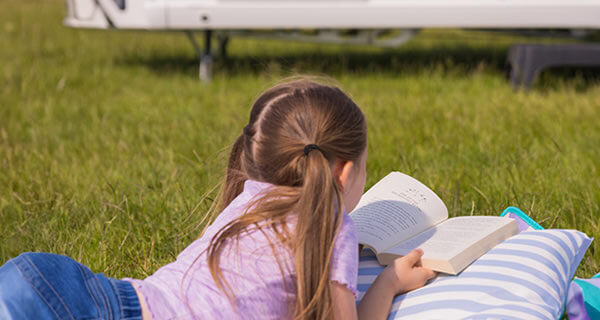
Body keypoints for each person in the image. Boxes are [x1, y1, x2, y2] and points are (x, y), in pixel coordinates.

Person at [0, 78, 436, 320]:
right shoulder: (334, 224)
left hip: (76, 289)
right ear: (344, 173)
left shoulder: (252, 196)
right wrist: (390, 281)